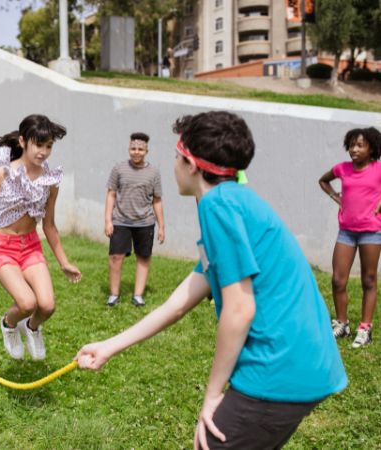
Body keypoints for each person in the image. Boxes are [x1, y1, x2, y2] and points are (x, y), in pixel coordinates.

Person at [76, 111, 347, 450]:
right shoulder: (235, 201)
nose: (173, 164)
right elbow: (181, 301)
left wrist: (212, 395)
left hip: (278, 367)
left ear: (190, 164)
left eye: (176, 156)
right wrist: (110, 346)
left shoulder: (217, 205)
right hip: (307, 363)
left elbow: (239, 309)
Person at [0, 114, 82, 361]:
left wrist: (64, 262)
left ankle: (32, 328)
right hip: (2, 247)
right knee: (27, 303)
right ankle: (8, 324)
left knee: (47, 306)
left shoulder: (51, 181)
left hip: (30, 247)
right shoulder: (2, 174)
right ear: (23, 141)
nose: (44, 152)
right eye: (39, 145)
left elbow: (49, 225)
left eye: (49, 146)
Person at [318, 127, 381, 348]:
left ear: (371, 148)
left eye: (360, 145)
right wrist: (336, 196)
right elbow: (323, 181)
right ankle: (342, 323)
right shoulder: (342, 169)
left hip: (371, 232)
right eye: (352, 145)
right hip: (346, 231)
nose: (354, 149)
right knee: (338, 280)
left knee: (369, 280)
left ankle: (365, 328)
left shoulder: (378, 169)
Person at [105, 132, 165, 307]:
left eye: (140, 149)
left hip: (145, 222)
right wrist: (108, 220)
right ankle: (113, 294)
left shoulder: (154, 172)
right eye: (133, 148)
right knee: (115, 257)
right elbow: (111, 194)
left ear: (146, 150)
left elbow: (157, 200)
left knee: (143, 257)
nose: (136, 152)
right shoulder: (119, 169)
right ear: (128, 149)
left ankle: (138, 295)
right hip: (120, 221)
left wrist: (161, 226)